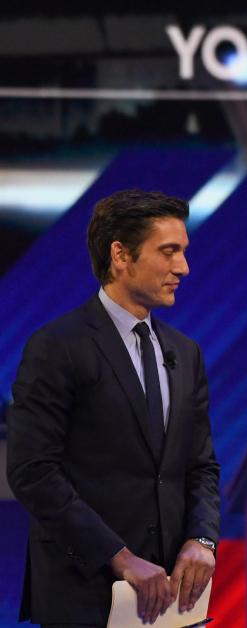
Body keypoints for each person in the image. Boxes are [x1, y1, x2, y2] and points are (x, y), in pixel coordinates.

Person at [6, 189, 220, 626]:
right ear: (120, 255)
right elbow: (33, 471)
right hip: (85, 598)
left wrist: (202, 539)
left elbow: (200, 466)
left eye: (183, 251)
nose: (183, 267)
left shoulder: (186, 353)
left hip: (173, 604)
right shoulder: (57, 347)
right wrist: (120, 558)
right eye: (169, 251)